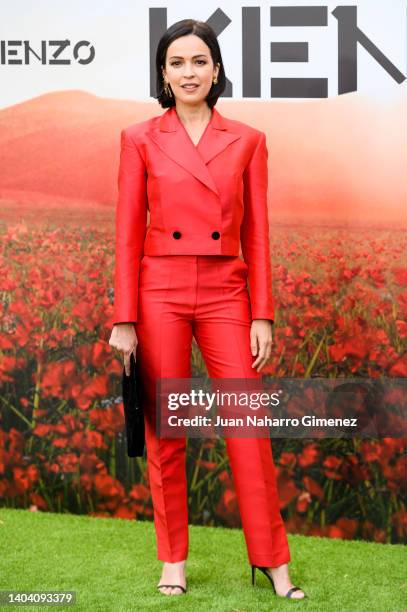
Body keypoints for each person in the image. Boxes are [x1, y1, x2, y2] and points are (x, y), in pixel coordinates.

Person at [109, 18, 306, 600]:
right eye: (177, 63)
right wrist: (124, 317)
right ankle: (173, 560)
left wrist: (261, 312)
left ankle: (272, 561)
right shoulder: (138, 137)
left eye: (199, 61)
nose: (188, 72)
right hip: (158, 290)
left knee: (248, 428)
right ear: (163, 74)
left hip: (227, 290)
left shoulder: (247, 139)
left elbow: (259, 233)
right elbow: (125, 233)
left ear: (216, 70)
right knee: (165, 432)